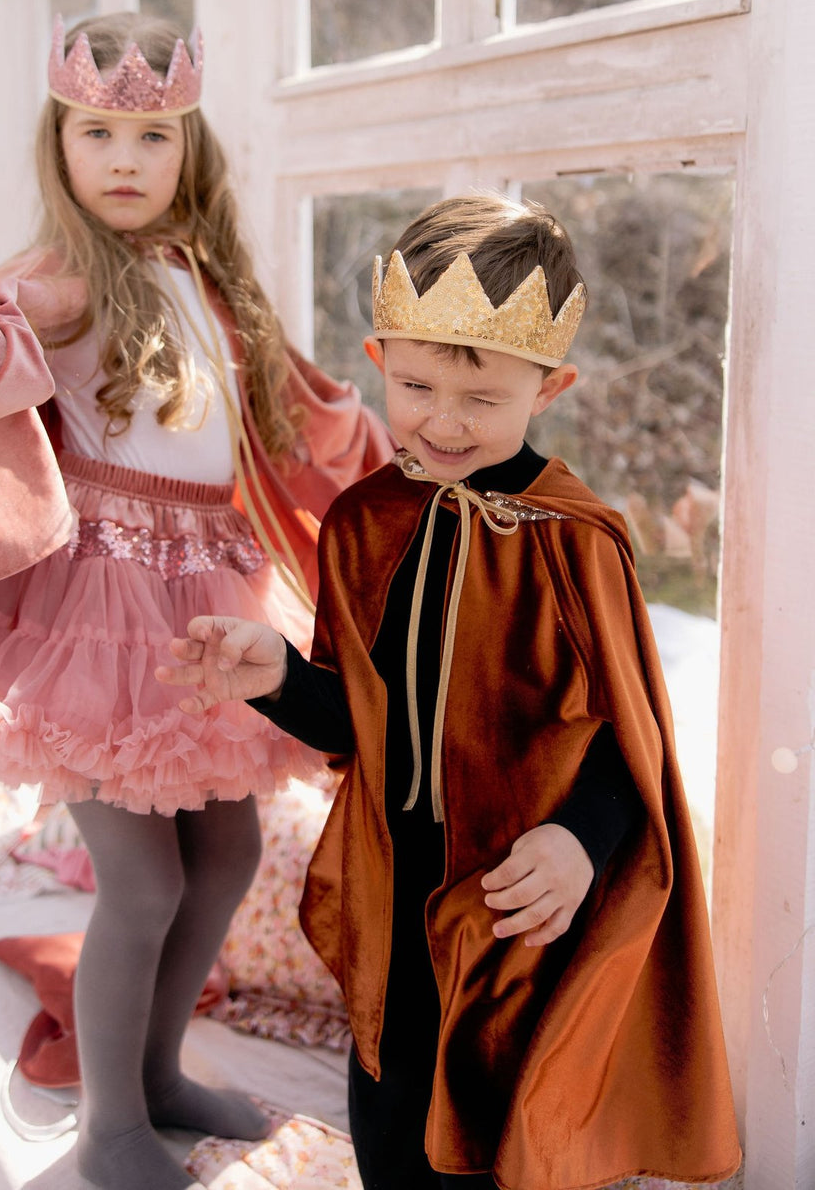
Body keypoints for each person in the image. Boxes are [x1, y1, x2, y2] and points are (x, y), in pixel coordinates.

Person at [0, 13, 393, 1190]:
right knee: (145, 876)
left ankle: (160, 1069)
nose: (124, 157)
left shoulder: (212, 284)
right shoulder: (54, 284)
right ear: (59, 143)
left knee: (223, 850)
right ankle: (109, 1116)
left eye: (152, 135)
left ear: (189, 147)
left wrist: (405, 458)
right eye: (98, 130)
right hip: (90, 620)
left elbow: (302, 414)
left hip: (206, 608)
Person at [159, 193, 742, 1190]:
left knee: (503, 1111)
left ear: (548, 385)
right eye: (419, 385)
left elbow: (628, 735)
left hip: (519, 884)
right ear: (380, 360)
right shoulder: (361, 523)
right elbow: (359, 725)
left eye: (483, 398)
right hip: (396, 880)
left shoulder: (573, 537)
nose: (444, 419)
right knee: (391, 1105)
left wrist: (578, 840)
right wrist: (279, 678)